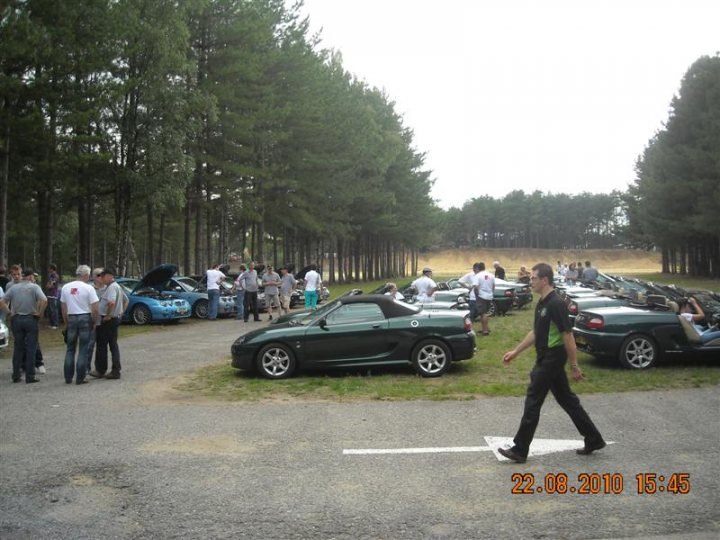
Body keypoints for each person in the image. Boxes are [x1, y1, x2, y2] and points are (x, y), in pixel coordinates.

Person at [499, 262, 605, 463]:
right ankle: (594, 439)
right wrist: (516, 352)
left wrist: (574, 365)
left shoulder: (556, 304)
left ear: (544, 280)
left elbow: (567, 335)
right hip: (545, 356)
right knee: (567, 400)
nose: (530, 281)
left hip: (552, 358)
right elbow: (536, 332)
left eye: (533, 278)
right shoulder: (542, 303)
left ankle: (520, 450)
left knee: (533, 400)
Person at [0, 268, 48, 383]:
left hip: (17, 319)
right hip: (31, 318)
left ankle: (16, 375)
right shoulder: (34, 287)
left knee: (18, 347)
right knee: (31, 347)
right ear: (29, 276)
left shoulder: (13, 288)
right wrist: (40, 313)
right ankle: (30, 376)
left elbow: (2, 301)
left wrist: (9, 312)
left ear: (22, 276)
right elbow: (44, 300)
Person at [60, 265, 99, 385]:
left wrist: (66, 321)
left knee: (70, 349)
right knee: (83, 348)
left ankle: (68, 377)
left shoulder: (65, 287)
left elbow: (63, 307)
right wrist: (93, 321)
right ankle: (80, 377)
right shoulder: (89, 288)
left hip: (71, 317)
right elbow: (95, 308)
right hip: (85, 317)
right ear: (86, 275)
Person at [91, 268, 127, 380]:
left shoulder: (112, 287)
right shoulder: (116, 286)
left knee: (102, 345)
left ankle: (101, 370)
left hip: (108, 321)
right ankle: (115, 370)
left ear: (109, 276)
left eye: (103, 276)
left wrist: (108, 315)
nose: (101, 278)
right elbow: (124, 301)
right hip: (114, 319)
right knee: (113, 345)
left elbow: (111, 302)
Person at [474, 262, 495, 336]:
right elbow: (493, 286)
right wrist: (491, 293)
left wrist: (478, 294)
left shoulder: (478, 276)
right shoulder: (491, 275)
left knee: (483, 313)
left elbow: (476, 287)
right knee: (485, 313)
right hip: (489, 296)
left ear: (478, 268)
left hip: (482, 296)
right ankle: (484, 328)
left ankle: (485, 330)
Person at [45, 263, 61, 329]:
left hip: (53, 294)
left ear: (52, 268)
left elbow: (51, 284)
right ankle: (51, 323)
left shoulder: (55, 276)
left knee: (54, 309)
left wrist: (48, 286)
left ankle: (55, 324)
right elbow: (48, 284)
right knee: (50, 309)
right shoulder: (50, 275)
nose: (48, 269)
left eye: (49, 268)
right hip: (50, 294)